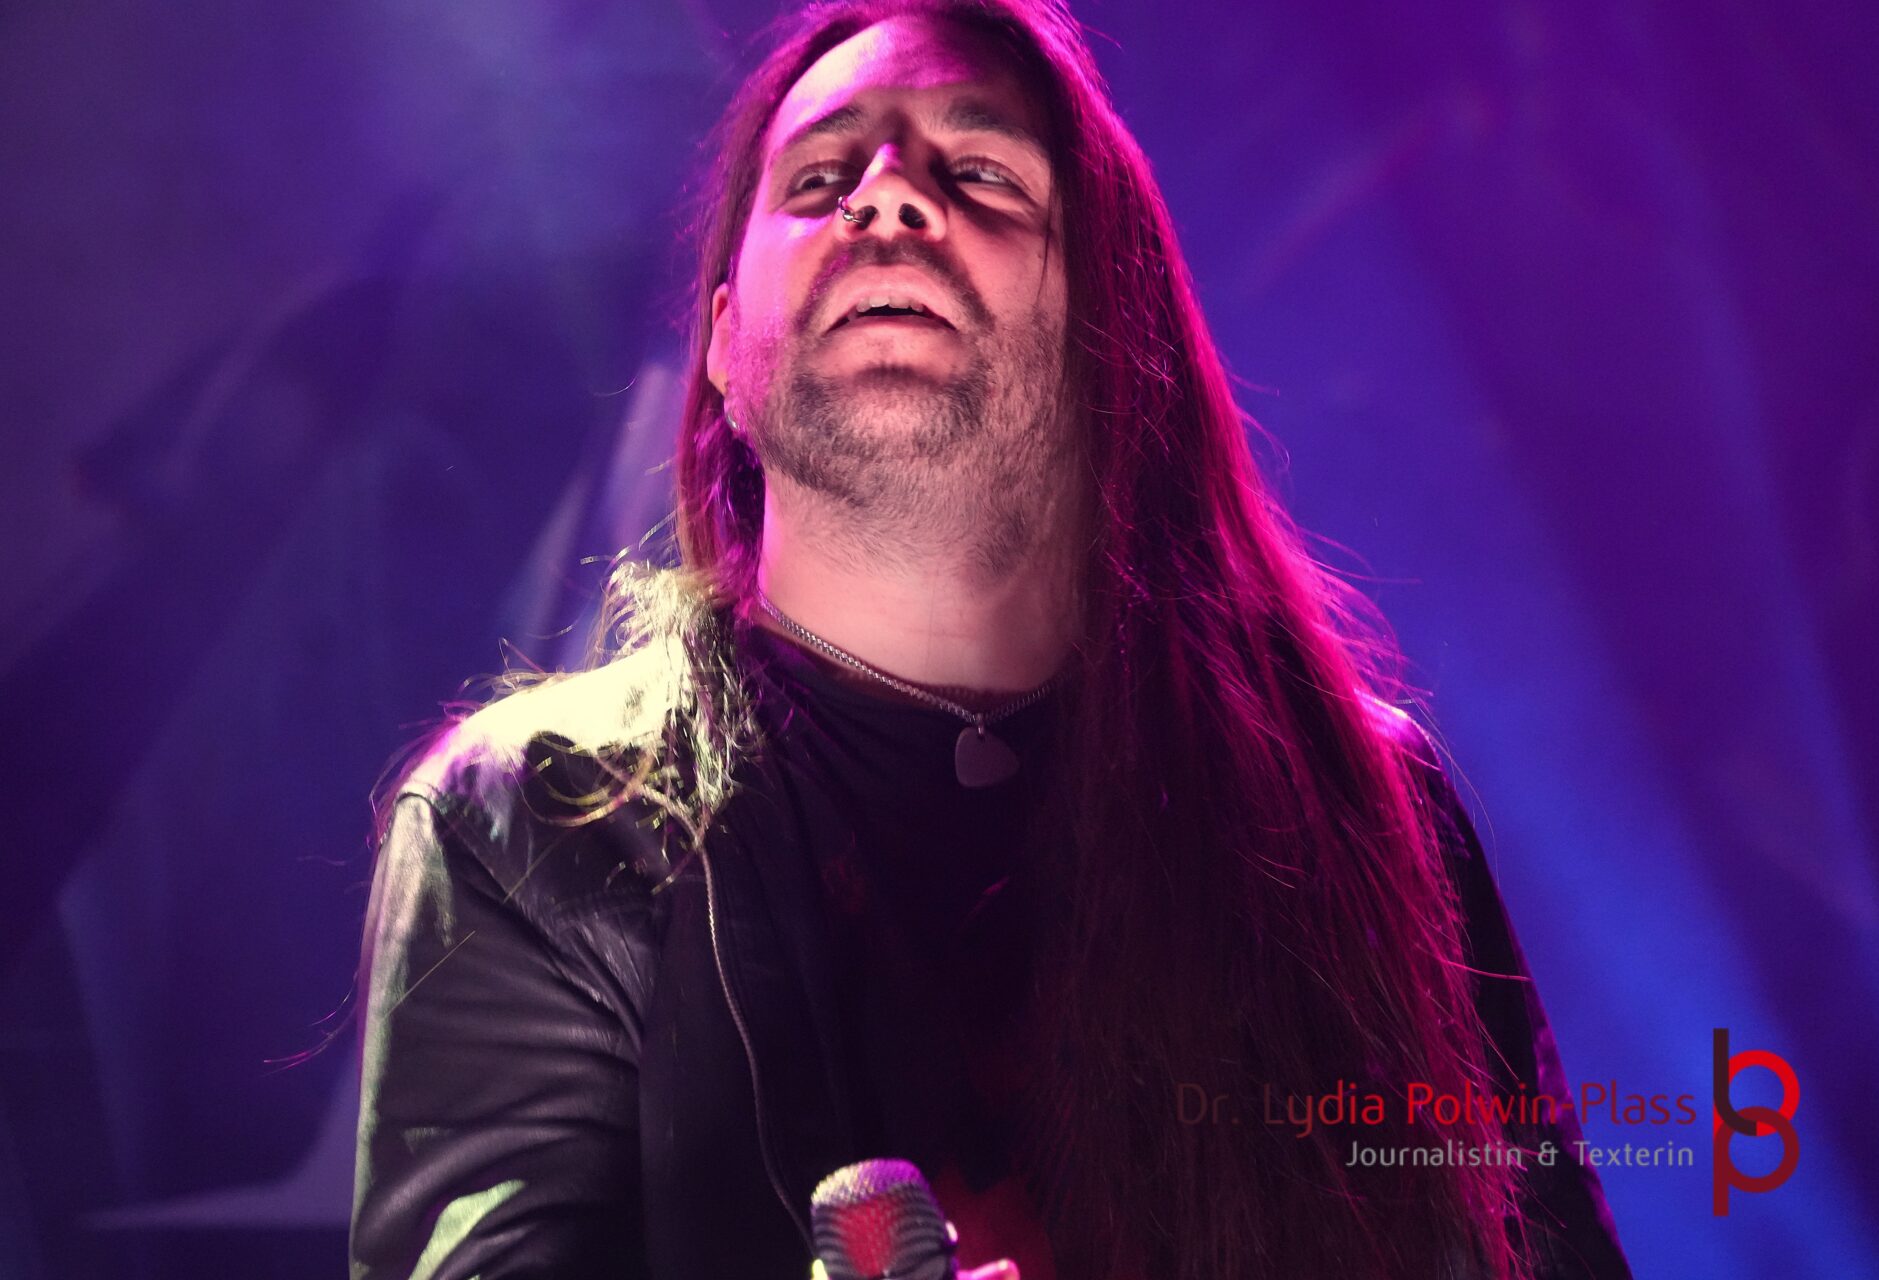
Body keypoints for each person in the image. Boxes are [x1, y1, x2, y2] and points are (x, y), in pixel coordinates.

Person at [350, 2, 1634, 1278]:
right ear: (726, 348)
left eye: (979, 172)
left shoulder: (1366, 798)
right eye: (820, 178)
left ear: (1113, 331)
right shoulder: (534, 826)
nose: (887, 196)